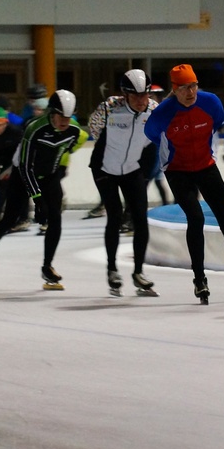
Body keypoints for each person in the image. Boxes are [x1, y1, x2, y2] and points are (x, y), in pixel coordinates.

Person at [144, 63, 224, 304]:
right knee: (196, 219)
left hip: (206, 167)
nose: (190, 92)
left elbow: (217, 123)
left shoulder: (211, 103)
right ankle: (199, 278)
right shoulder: (162, 113)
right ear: (174, 90)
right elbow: (152, 135)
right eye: (184, 88)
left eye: (193, 86)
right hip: (178, 171)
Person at [0, 90, 82, 291]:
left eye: (68, 117)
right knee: (9, 220)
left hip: (49, 175)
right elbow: (25, 167)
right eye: (61, 116)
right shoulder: (34, 129)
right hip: (22, 175)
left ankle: (47, 266)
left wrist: (58, 171)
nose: (65, 121)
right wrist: (37, 199)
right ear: (51, 112)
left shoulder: (74, 130)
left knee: (55, 219)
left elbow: (64, 150)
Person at [88, 69, 159, 296]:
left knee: (140, 219)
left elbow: (156, 138)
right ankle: (112, 269)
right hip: (105, 169)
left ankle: (138, 272)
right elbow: (94, 128)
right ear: (125, 94)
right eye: (135, 95)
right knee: (115, 215)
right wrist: (111, 147)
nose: (141, 100)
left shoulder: (154, 110)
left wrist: (142, 164)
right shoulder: (110, 107)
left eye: (145, 94)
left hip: (131, 168)